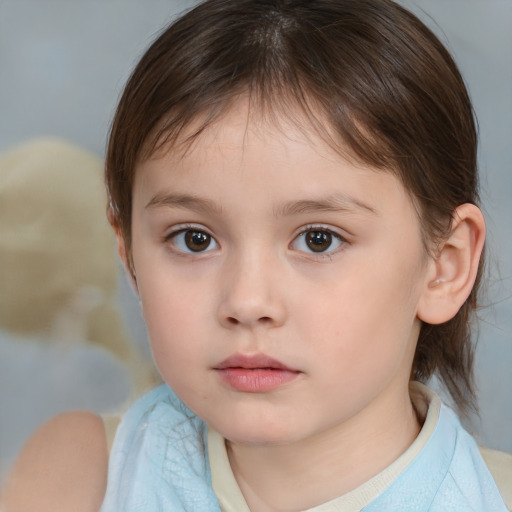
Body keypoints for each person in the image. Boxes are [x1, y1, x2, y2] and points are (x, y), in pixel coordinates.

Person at [2, 1, 509, 511]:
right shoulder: (85, 478)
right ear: (129, 252)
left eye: (318, 240)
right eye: (194, 239)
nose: (247, 301)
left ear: (445, 265)